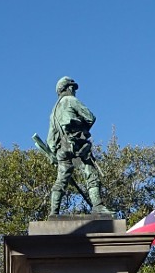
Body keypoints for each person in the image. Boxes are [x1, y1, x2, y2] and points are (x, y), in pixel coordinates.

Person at [46, 76, 113, 216]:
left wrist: (53, 154)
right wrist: (82, 130)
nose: (74, 91)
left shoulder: (53, 112)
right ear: (68, 88)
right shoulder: (71, 100)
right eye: (73, 88)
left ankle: (54, 212)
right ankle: (98, 207)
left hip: (62, 150)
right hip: (78, 146)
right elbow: (90, 117)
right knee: (91, 174)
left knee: (61, 180)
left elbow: (51, 139)